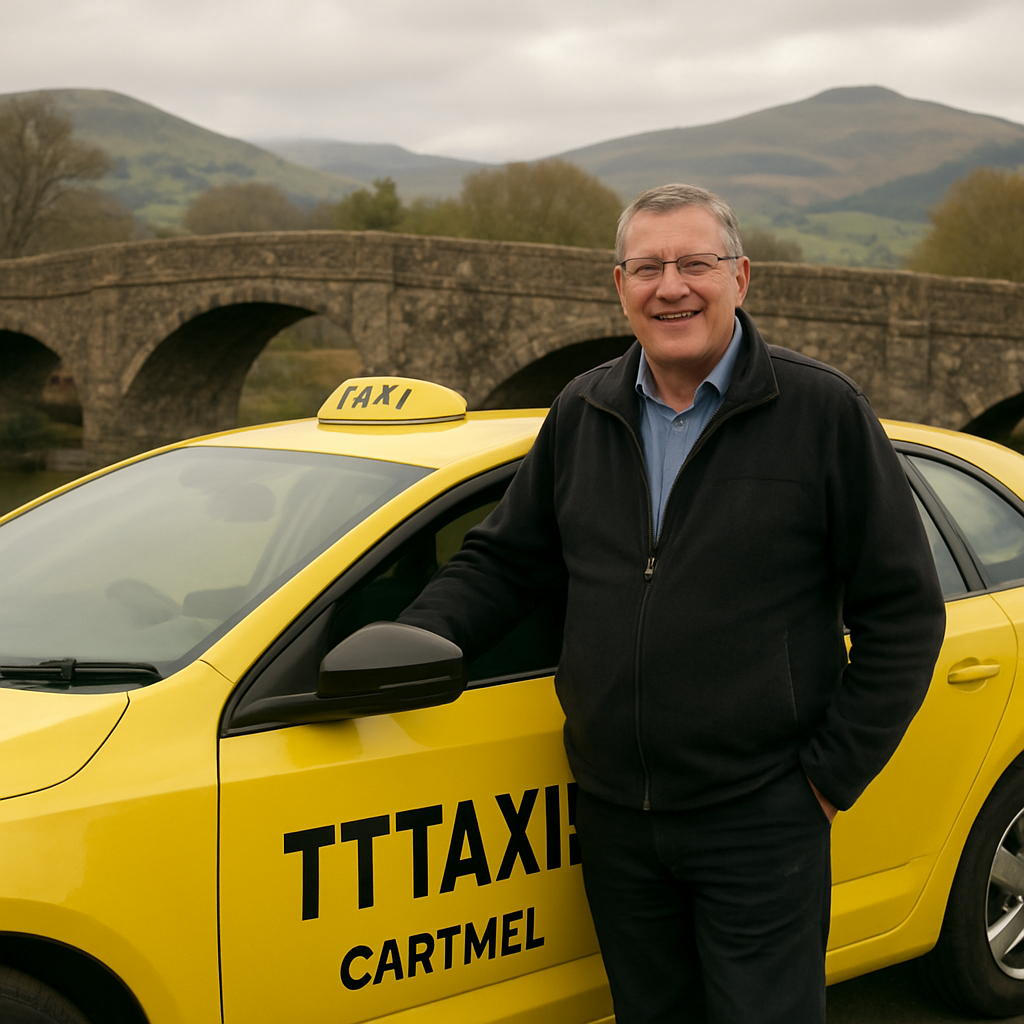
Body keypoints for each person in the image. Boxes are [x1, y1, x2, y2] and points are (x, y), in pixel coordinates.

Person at [399, 183, 946, 1023]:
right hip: (616, 815)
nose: (672, 286)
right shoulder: (583, 410)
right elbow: (506, 563)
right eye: (649, 267)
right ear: (618, 285)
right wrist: (412, 639)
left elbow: (905, 612)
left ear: (741, 277)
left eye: (696, 263)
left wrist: (828, 777)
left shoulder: (819, 410)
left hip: (761, 812)